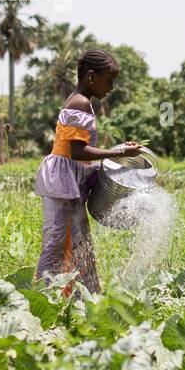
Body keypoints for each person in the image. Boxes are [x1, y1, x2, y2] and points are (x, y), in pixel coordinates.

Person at [34, 48, 142, 296]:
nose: (111, 87)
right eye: (110, 80)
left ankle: (85, 296)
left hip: (70, 180)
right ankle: (45, 297)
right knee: (58, 242)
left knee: (80, 242)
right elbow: (77, 151)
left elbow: (81, 152)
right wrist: (118, 154)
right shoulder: (79, 103)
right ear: (92, 77)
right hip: (62, 182)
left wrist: (115, 154)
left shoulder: (84, 103)